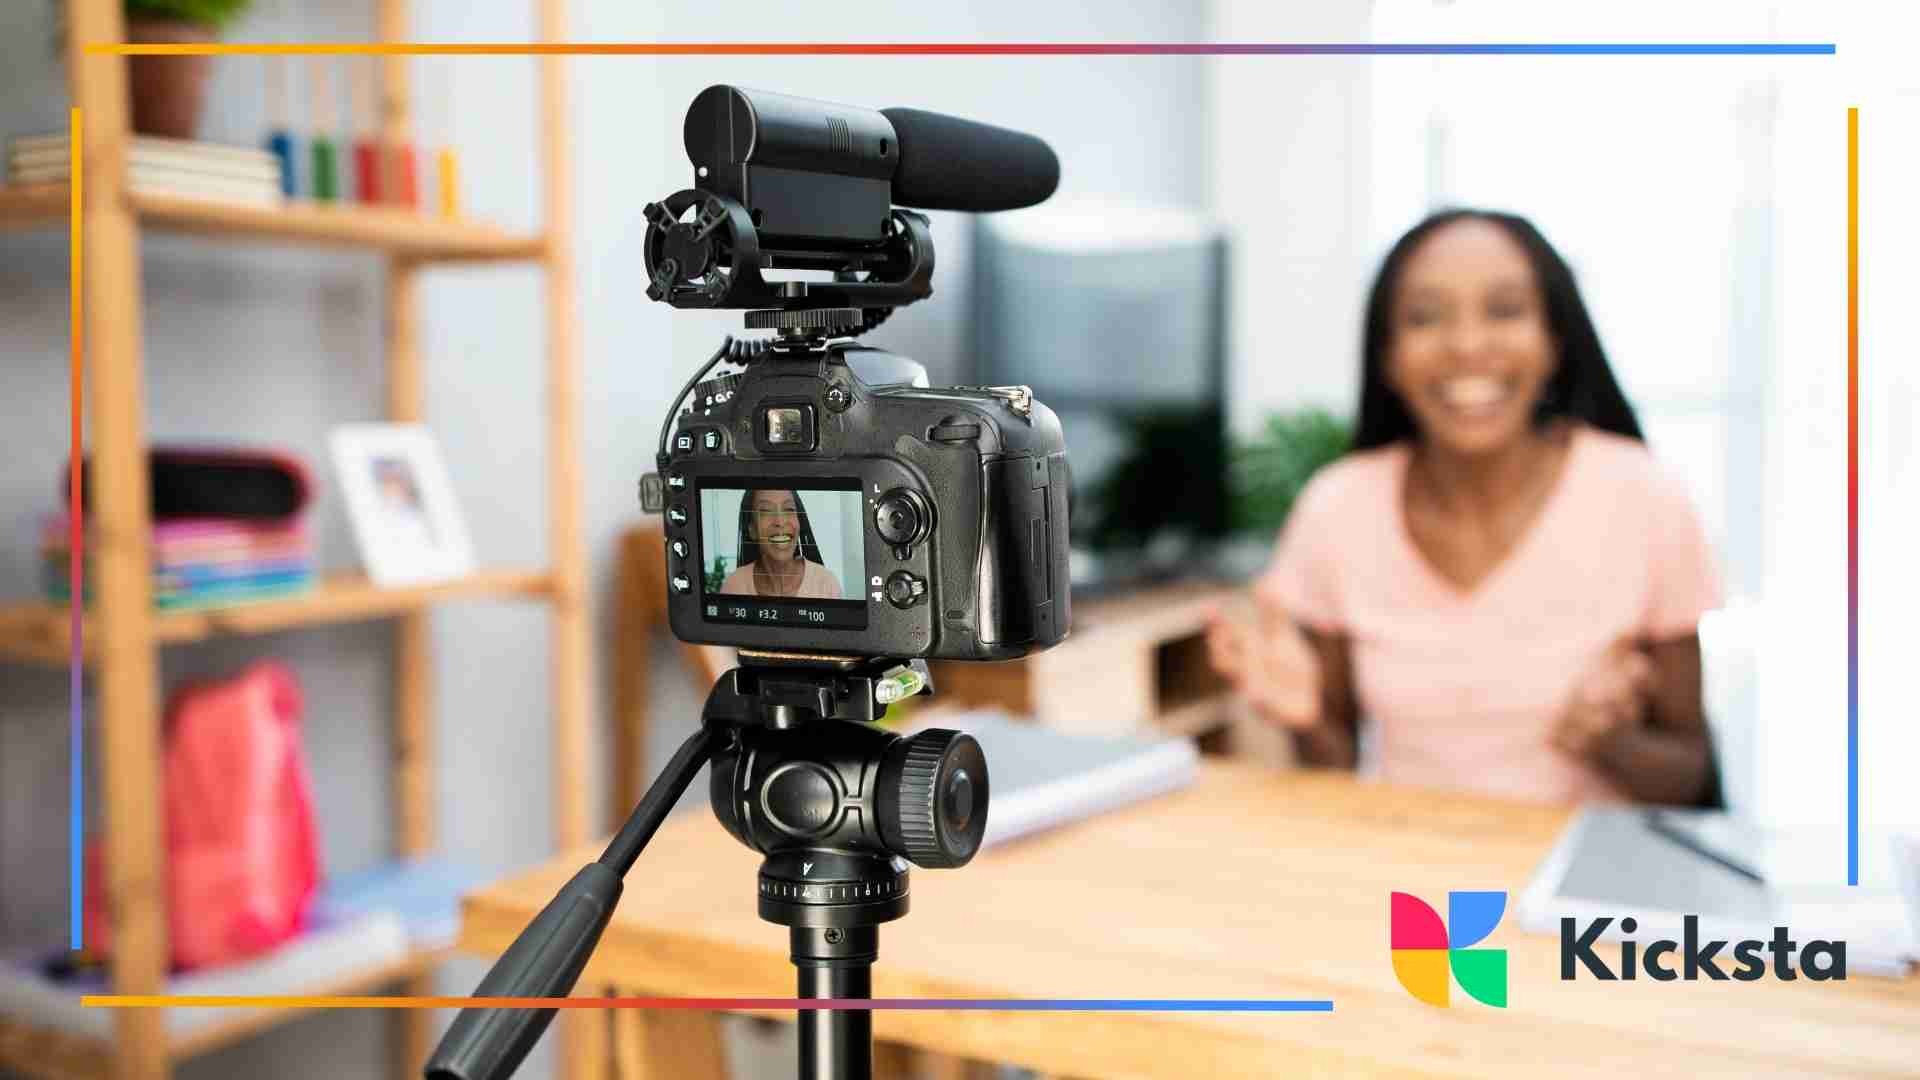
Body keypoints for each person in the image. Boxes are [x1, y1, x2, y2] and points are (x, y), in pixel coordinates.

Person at [1206, 208, 1722, 807]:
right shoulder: (1338, 508)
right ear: (1389, 357)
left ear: (1554, 341)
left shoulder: (1644, 495)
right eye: (1425, 318)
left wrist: (1613, 741)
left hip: (1583, 890)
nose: (1467, 346)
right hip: (1417, 881)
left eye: (1504, 310)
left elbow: (1691, 774)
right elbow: (1337, 769)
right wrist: (1306, 723)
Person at [718, 488, 844, 599]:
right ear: (752, 530)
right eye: (766, 511)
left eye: (789, 509)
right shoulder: (733, 585)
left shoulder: (826, 583)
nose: (780, 521)